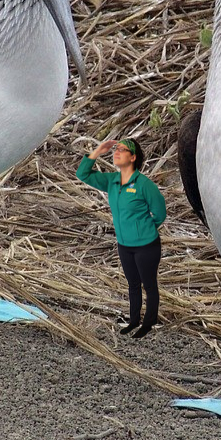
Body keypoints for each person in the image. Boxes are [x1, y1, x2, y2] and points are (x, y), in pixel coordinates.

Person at [77, 138, 167, 338]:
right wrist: (98, 151)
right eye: (116, 149)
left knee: (149, 284)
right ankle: (133, 320)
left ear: (133, 157)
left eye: (122, 150)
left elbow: (160, 213)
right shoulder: (111, 181)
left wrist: (144, 229)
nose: (116, 152)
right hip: (124, 245)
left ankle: (148, 323)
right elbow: (82, 174)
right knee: (132, 284)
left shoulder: (145, 185)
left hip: (146, 245)